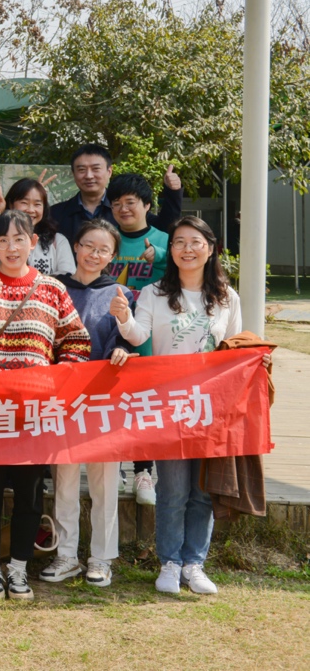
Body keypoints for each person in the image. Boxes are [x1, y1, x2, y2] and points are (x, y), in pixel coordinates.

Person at [0, 210, 91, 602]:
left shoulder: (52, 289)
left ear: (33, 242)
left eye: (18, 239)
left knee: (29, 494)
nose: (11, 247)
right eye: (3, 240)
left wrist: (58, 381)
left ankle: (18, 569)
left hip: (33, 411)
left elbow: (76, 341)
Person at [112, 216, 247, 596]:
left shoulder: (227, 297)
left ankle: (194, 564)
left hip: (209, 406)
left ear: (210, 248)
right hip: (167, 404)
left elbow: (234, 348)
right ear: (170, 250)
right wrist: (123, 318)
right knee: (172, 490)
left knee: (202, 491)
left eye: (195, 242)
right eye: (179, 242)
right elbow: (138, 335)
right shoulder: (153, 293)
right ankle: (169, 563)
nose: (187, 249)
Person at [40, 218, 135, 589]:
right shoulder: (53, 288)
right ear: (75, 247)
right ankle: (66, 555)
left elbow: (127, 338)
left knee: (105, 483)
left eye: (104, 249)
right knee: (64, 480)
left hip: (103, 399)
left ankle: (101, 558)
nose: (95, 254)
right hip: (61, 398)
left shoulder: (120, 294)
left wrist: (121, 349)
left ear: (113, 256)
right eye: (89, 246)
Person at [104, 171, 170, 504]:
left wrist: (160, 258)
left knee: (145, 402)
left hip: (149, 332)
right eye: (116, 204)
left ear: (146, 205)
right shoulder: (106, 238)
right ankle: (114, 465)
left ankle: (143, 471)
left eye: (130, 202)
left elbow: (186, 272)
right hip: (109, 329)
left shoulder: (165, 239)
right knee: (112, 400)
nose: (123, 209)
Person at [50, 143, 184, 244]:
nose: (89, 176)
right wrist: (37, 194)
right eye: (81, 170)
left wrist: (173, 191)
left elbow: (165, 227)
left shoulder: (125, 209)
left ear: (109, 171)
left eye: (96, 169)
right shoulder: (55, 214)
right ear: (73, 174)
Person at [0, 177, 76, 276]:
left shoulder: (57, 240)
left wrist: (35, 281)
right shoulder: (3, 238)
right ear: (11, 205)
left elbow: (67, 275)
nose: (31, 210)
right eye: (24, 203)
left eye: (37, 204)